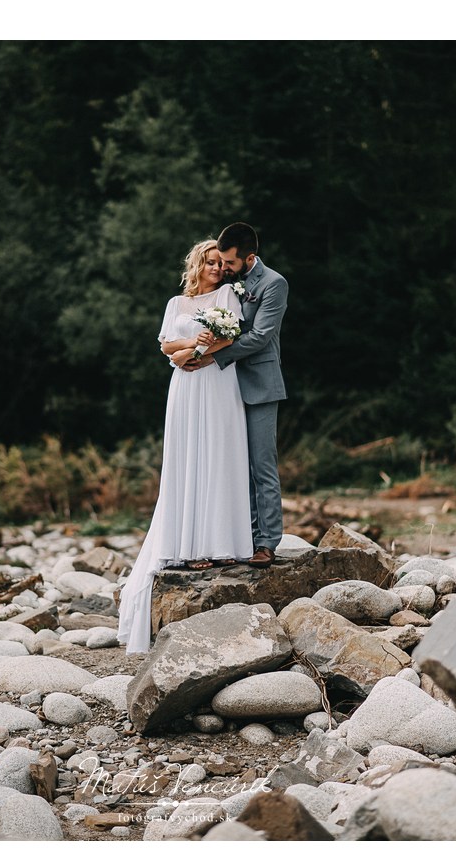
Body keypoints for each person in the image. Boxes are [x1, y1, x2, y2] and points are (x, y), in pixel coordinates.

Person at [116, 239, 253, 654]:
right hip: (185, 385)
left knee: (220, 456)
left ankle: (219, 543)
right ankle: (186, 544)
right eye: (210, 262)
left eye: (220, 263)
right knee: (186, 459)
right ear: (198, 264)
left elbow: (231, 339)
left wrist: (197, 351)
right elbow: (164, 347)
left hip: (215, 381)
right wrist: (187, 351)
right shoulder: (177, 302)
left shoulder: (228, 295)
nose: (216, 269)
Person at [185, 222, 287, 569]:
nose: (223, 268)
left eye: (229, 263)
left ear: (249, 258)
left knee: (261, 465)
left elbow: (259, 336)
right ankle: (234, 537)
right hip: (222, 387)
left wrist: (214, 355)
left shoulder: (274, 284)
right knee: (227, 465)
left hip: (258, 383)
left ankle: (266, 542)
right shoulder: (229, 283)